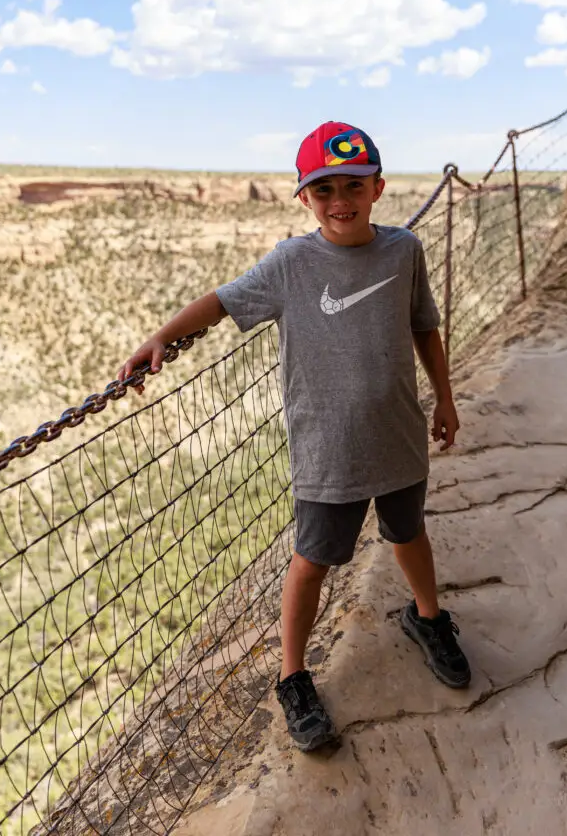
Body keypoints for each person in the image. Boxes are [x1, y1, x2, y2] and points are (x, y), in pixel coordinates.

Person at [117, 121, 470, 753]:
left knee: (409, 533)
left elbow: (424, 327)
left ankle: (428, 618)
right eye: (325, 189)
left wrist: (443, 398)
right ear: (303, 197)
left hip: (399, 437)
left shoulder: (403, 251)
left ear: (378, 187)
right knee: (312, 561)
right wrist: (161, 338)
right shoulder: (292, 262)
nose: (341, 201)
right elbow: (222, 301)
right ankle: (293, 675)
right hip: (328, 453)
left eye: (353, 186)